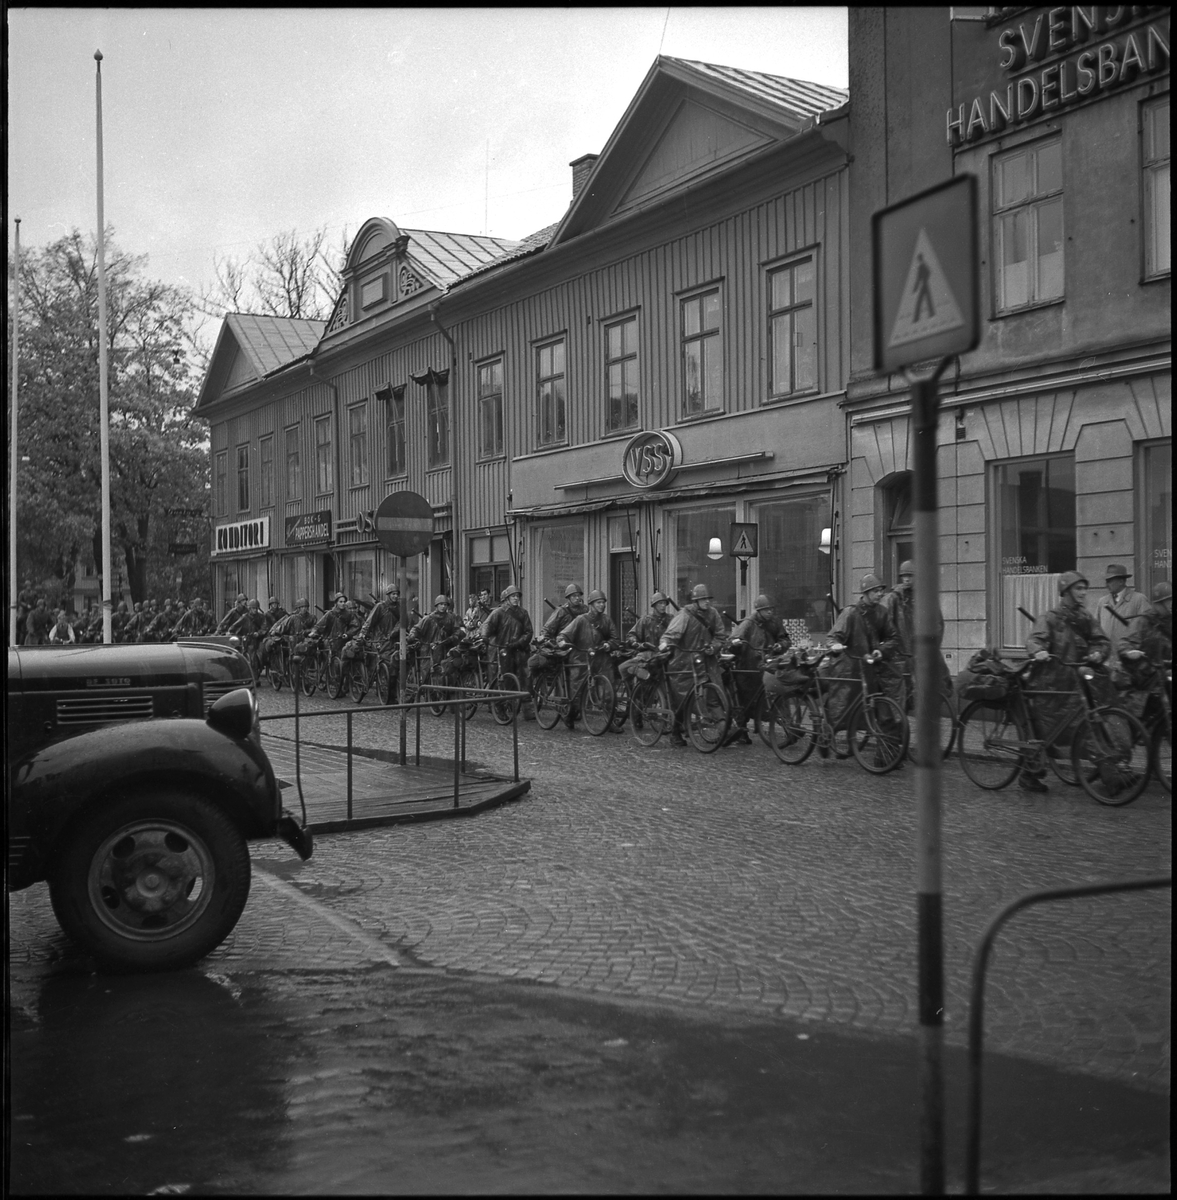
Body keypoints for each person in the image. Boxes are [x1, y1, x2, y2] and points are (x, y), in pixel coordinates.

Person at [1022, 571, 1112, 792]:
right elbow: (1034, 639)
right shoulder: (1050, 617)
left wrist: (1098, 653)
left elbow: (1100, 640)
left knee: (1090, 723)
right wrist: (1039, 651)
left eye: (1084, 589)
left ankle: (1110, 771)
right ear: (1066, 591)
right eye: (1078, 589)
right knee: (1045, 732)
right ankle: (1028, 774)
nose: (1083, 593)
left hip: (1077, 683)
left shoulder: (1085, 617)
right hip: (1051, 685)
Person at [819, 575, 902, 762]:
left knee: (869, 707)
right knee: (840, 707)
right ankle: (825, 734)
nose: (879, 594)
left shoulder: (881, 612)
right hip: (847, 668)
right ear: (865, 593)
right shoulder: (850, 613)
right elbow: (833, 637)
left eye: (881, 590)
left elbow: (893, 637)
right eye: (875, 591)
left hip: (869, 667)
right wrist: (836, 645)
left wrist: (881, 651)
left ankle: (880, 751)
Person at [659, 583, 726, 747]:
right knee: (683, 698)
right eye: (703, 599)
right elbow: (672, 633)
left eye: (708, 599)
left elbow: (720, 635)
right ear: (695, 601)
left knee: (713, 695)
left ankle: (724, 729)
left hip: (707, 662)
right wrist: (666, 643)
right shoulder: (685, 615)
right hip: (684, 662)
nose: (707, 602)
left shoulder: (713, 614)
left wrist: (714, 647)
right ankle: (676, 732)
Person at [881, 559, 952, 706]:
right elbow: (884, 620)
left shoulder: (925, 598)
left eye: (910, 576)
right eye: (904, 576)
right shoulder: (894, 598)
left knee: (935, 683)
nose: (906, 579)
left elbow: (938, 623)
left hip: (922, 650)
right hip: (902, 653)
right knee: (902, 691)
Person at [727, 594, 790, 745]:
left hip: (768, 666)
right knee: (744, 701)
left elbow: (785, 638)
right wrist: (736, 644)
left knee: (775, 696)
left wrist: (780, 645)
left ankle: (789, 726)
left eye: (771, 609)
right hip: (748, 669)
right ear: (759, 611)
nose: (769, 612)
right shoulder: (748, 623)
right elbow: (733, 641)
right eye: (766, 609)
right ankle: (742, 730)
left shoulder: (774, 622)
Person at [557, 588, 618, 730]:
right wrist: (562, 641)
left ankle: (611, 721)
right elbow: (565, 634)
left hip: (602, 659)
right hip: (581, 659)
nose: (601, 605)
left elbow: (615, 639)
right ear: (591, 604)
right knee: (577, 692)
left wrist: (609, 645)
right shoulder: (581, 620)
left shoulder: (607, 620)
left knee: (608, 692)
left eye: (603, 602)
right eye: (598, 603)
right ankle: (570, 715)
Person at [481, 584, 536, 720]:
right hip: (501, 649)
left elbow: (528, 631)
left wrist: (519, 642)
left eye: (517, 596)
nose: (516, 598)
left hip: (518, 649)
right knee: (500, 678)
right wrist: (485, 637)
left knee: (525, 678)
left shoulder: (523, 613)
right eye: (513, 596)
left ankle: (527, 709)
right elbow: (487, 625)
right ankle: (498, 706)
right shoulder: (498, 612)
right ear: (507, 598)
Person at [530, 583, 588, 678]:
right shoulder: (561, 611)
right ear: (568, 598)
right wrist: (548, 642)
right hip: (564, 646)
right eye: (574, 596)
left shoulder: (585, 610)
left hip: (580, 647)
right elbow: (547, 629)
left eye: (578, 595)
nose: (577, 598)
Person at [1093, 563, 1150, 659]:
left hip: (1128, 661)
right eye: (1106, 581)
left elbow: (1147, 630)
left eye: (1110, 581)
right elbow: (1095, 630)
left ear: (1121, 581)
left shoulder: (1138, 600)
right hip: (1106, 661)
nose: (1106, 584)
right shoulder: (1102, 602)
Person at [409, 594, 461, 678]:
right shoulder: (428, 618)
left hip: (445, 648)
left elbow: (457, 630)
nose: (443, 606)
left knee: (449, 672)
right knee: (427, 673)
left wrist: (453, 637)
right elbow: (416, 629)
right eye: (441, 604)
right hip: (429, 650)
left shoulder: (451, 618)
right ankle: (426, 690)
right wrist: (412, 636)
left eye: (445, 604)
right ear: (436, 605)